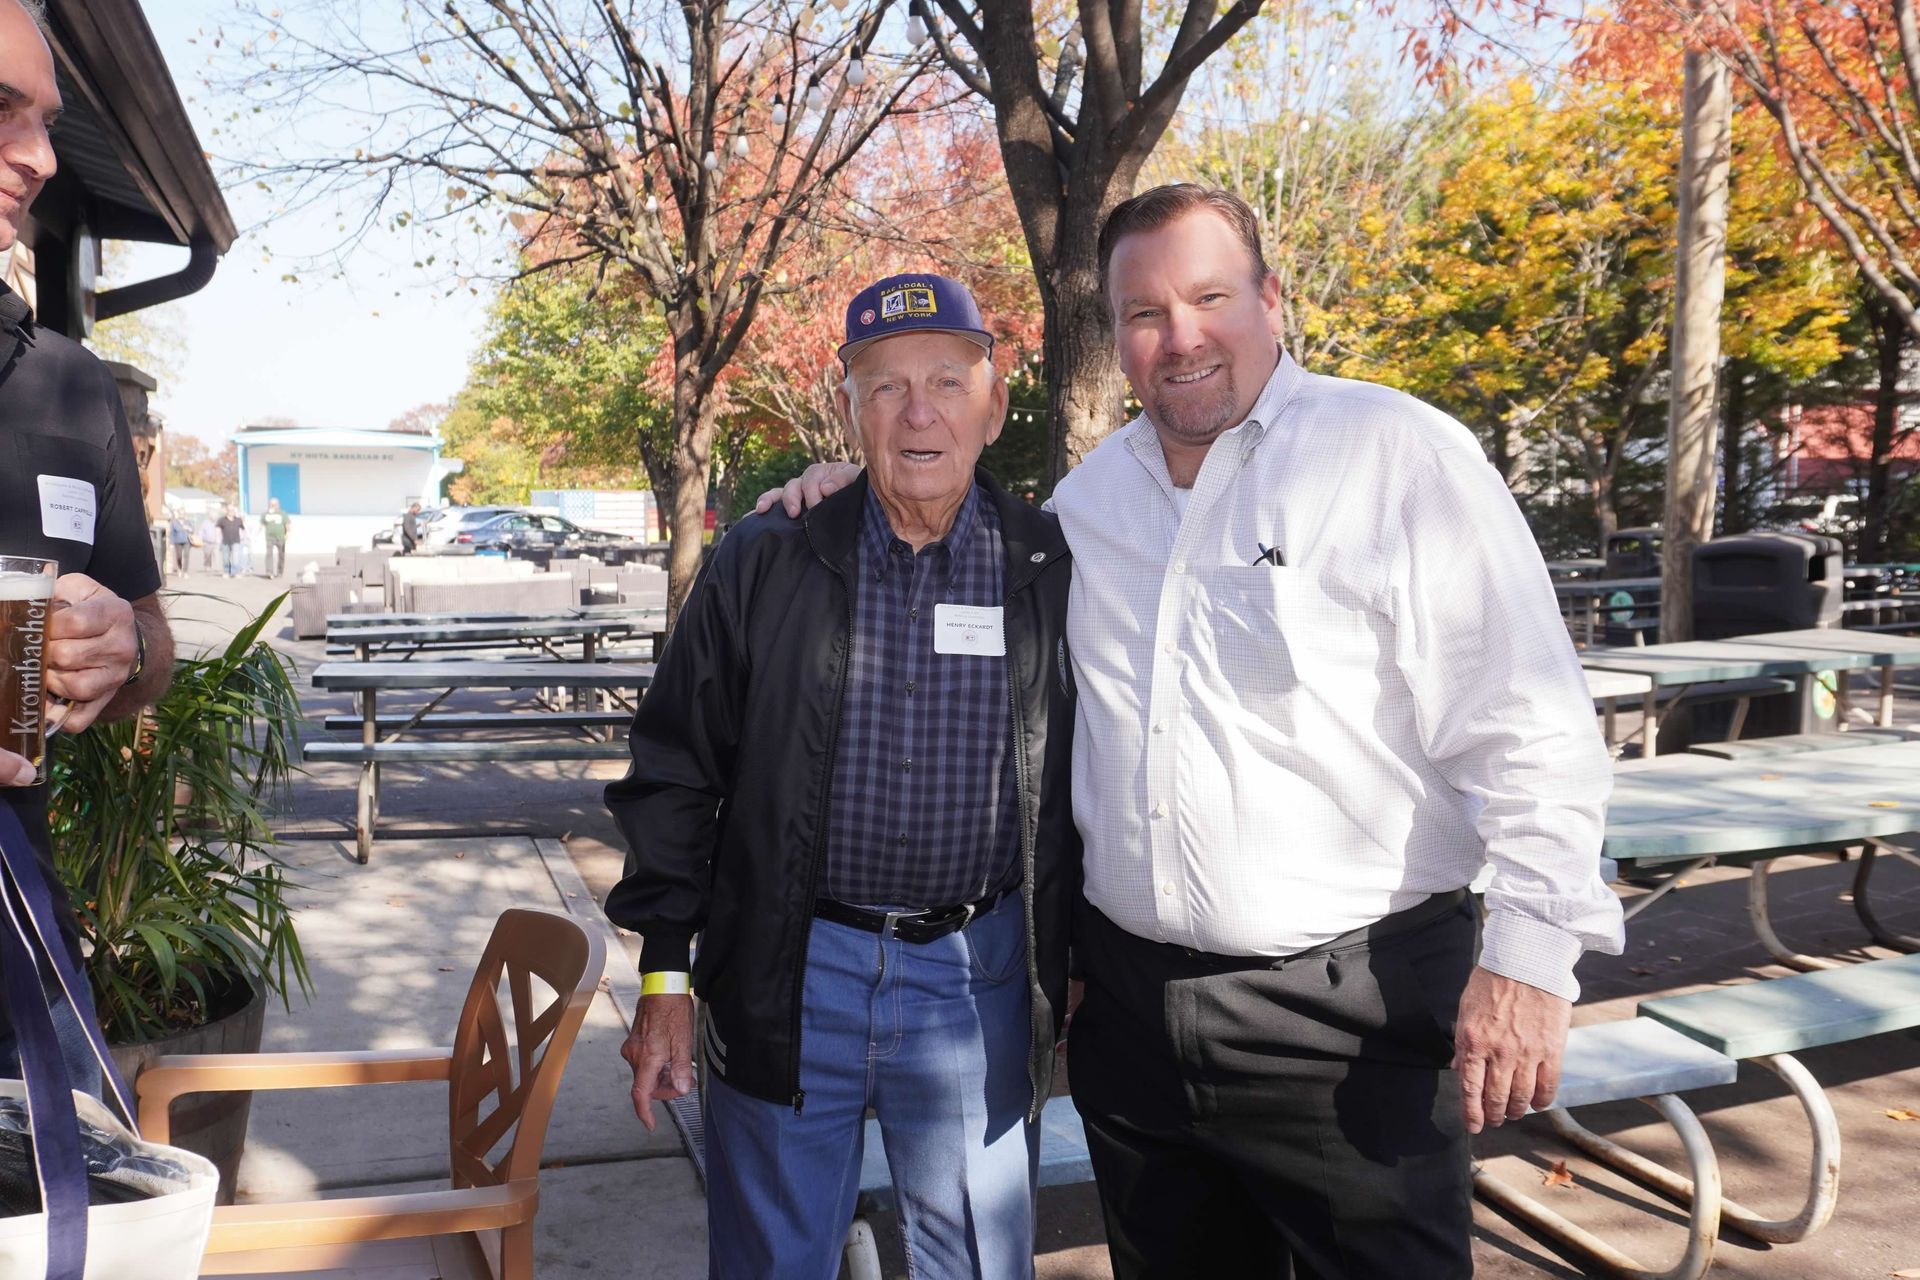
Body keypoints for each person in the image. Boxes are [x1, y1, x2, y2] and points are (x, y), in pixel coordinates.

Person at [762, 186, 1622, 1277]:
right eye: (1144, 313)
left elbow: (1531, 725)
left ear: (1270, 298)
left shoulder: (1397, 456)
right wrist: (850, 490)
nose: (1181, 337)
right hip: (1133, 1018)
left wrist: (1533, 960)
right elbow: (952, 563)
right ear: (1114, 337)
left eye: (1209, 297)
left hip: (1350, 1013)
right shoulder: (1087, 505)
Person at [605, 274, 1078, 1279]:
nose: (918, 412)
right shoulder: (768, 559)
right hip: (791, 964)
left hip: (975, 973)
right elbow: (674, 769)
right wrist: (665, 970)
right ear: (848, 412)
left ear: (993, 405)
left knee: (980, 1264)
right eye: (885, 386)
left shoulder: (1049, 565)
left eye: (948, 382)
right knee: (775, 1261)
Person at [0, 0, 176, 1091]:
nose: (41, 157)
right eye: (0, 111)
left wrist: (120, 653)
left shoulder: (67, 381)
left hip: (20, 941)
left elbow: (155, 645)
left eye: (47, 120)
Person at [260, 497, 290, 578]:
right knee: (269, 554)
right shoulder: (265, 514)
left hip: (280, 537)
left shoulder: (282, 513)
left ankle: (280, 572)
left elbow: (287, 524)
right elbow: (262, 524)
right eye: (271, 504)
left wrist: (287, 533)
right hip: (270, 537)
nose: (272, 506)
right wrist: (257, 532)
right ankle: (269, 572)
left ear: (278, 505)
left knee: (281, 555)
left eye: (274, 504)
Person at [215, 506, 246, 578]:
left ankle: (236, 572)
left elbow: (243, 529)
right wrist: (217, 538)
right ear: (227, 511)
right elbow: (217, 529)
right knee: (226, 558)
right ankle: (226, 572)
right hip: (225, 541)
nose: (231, 512)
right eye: (229, 510)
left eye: (232, 510)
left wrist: (243, 537)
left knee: (235, 558)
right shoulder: (222, 520)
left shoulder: (238, 520)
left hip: (236, 541)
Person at [166, 509, 193, 576]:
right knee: (179, 556)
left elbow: (193, 530)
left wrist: (189, 528)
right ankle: (180, 569)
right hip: (177, 541)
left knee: (186, 555)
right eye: (180, 513)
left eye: (183, 513)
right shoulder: (174, 522)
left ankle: (185, 571)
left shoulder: (188, 522)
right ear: (178, 514)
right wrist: (171, 543)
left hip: (187, 540)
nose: (182, 515)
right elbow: (171, 533)